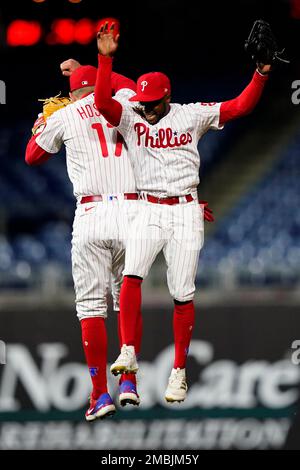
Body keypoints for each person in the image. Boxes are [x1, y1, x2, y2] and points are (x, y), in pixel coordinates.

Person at [94, 23, 271, 403]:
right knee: (132, 273)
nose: (146, 108)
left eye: (152, 103)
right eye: (142, 101)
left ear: (167, 98)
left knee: (182, 293)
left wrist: (261, 73)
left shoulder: (190, 116)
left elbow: (241, 105)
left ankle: (178, 372)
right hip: (147, 206)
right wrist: (104, 60)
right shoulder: (132, 114)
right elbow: (105, 104)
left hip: (185, 210)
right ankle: (128, 350)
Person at [25, 33, 143, 421]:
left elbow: (33, 157)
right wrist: (93, 71)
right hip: (132, 212)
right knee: (127, 295)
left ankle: (98, 394)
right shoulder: (124, 100)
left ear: (73, 93)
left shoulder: (63, 115)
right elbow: (129, 84)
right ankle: (129, 383)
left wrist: (45, 120)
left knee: (91, 307)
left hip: (92, 215)